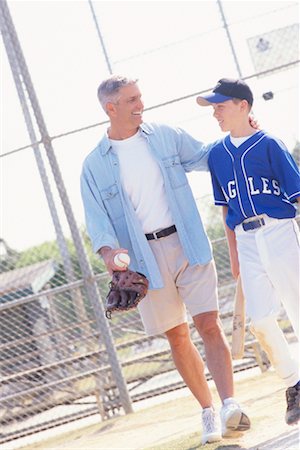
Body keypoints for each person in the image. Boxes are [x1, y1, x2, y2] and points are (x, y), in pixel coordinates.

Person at [81, 75, 252, 444]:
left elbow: (208, 155)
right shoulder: (94, 165)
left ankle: (229, 405)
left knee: (209, 324)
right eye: (131, 100)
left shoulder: (165, 135)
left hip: (186, 240)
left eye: (140, 96)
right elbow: (97, 220)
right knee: (177, 336)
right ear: (111, 108)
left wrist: (242, 133)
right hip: (142, 258)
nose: (140, 104)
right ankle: (207, 411)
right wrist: (110, 253)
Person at [196, 77, 300, 426]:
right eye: (213, 108)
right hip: (246, 238)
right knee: (260, 319)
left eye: (221, 107)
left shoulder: (270, 144)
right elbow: (226, 211)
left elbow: (296, 194)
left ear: (243, 106)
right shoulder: (217, 155)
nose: (215, 114)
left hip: (280, 231)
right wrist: (234, 255)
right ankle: (295, 383)